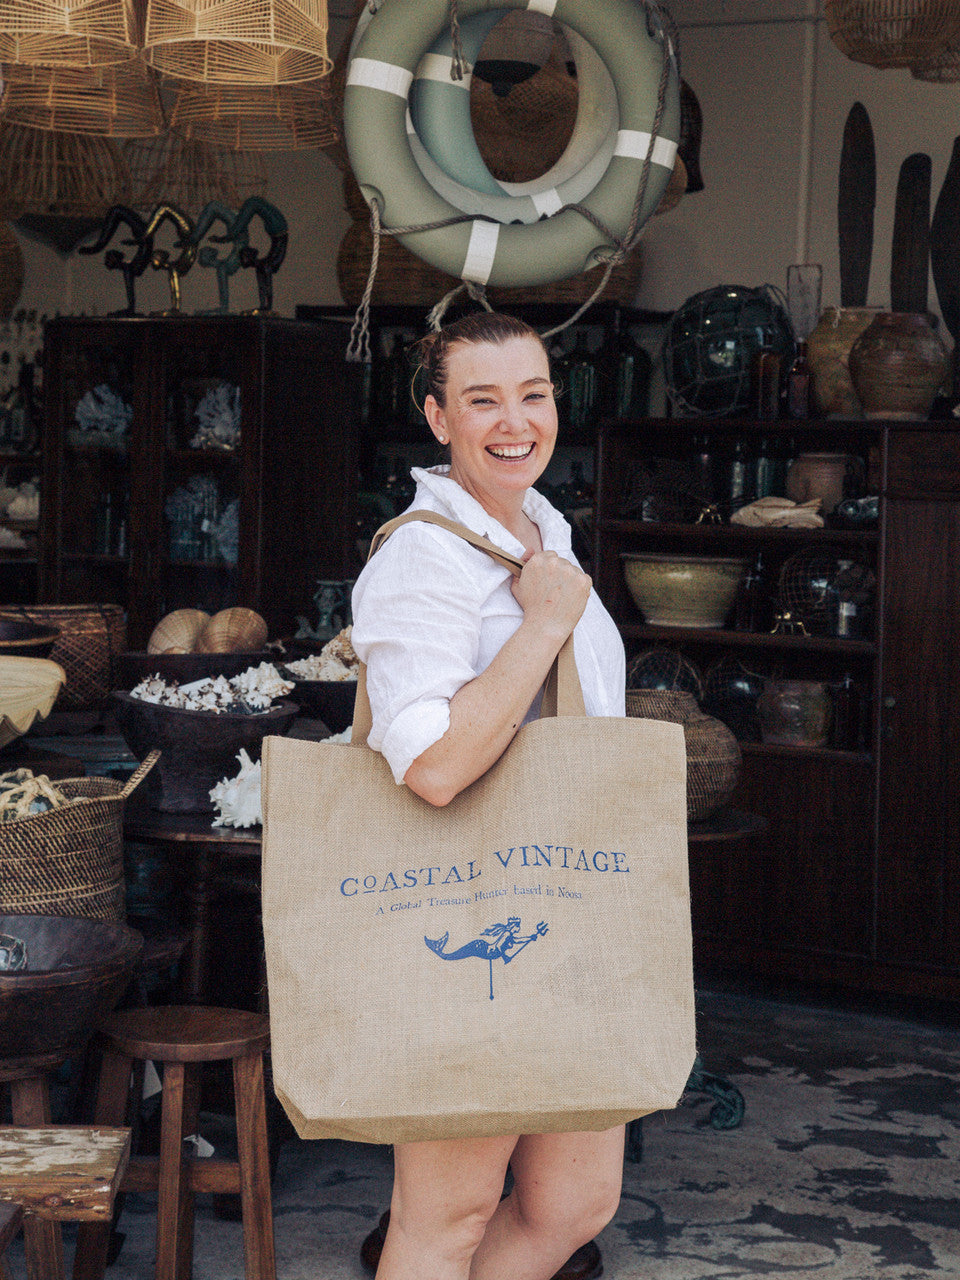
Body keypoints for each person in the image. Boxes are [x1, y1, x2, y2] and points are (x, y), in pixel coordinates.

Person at [350, 311, 627, 1280]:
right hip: (463, 915)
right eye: (482, 400)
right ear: (438, 419)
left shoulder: (545, 533)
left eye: (533, 394)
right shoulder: (423, 556)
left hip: (571, 908)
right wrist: (542, 627)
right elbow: (431, 766)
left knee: (573, 1201)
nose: (516, 422)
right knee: (447, 1213)